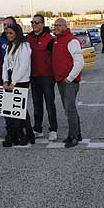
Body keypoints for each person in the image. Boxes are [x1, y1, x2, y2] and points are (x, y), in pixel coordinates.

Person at [52, 18, 85, 148]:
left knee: (69, 109)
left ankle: (73, 136)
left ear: (65, 26)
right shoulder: (56, 40)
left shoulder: (71, 41)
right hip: (61, 80)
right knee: (68, 108)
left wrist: (70, 77)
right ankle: (77, 133)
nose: (56, 27)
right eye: (55, 25)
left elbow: (80, 62)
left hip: (69, 82)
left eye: (59, 25)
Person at [2, 24, 35, 146]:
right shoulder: (9, 47)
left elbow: (23, 66)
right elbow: (5, 65)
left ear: (17, 33)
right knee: (14, 110)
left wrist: (14, 83)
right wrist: (5, 80)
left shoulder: (24, 47)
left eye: (11, 33)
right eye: (7, 33)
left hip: (21, 81)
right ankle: (25, 134)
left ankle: (18, 135)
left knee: (18, 110)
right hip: (10, 81)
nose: (9, 35)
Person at [27, 14, 58, 141]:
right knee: (36, 104)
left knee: (50, 104)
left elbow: (56, 58)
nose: (34, 25)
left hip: (47, 77)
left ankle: (53, 129)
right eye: (32, 22)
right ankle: (38, 128)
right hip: (34, 77)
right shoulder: (28, 38)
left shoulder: (50, 39)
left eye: (37, 22)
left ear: (43, 24)